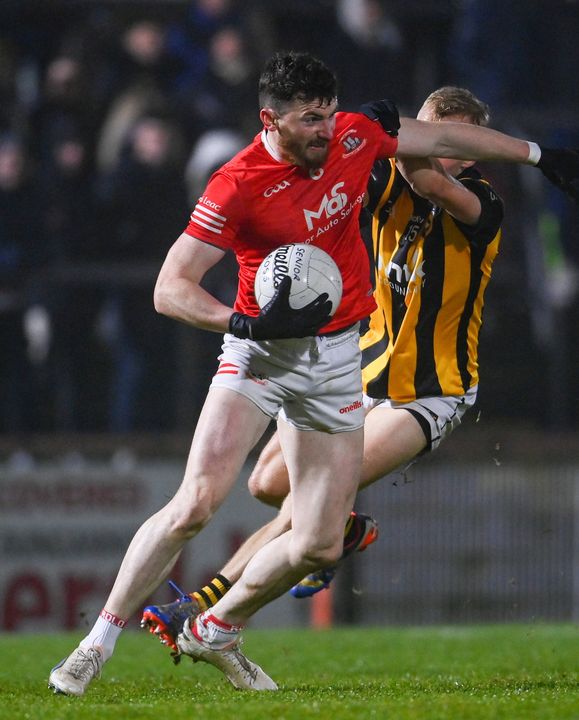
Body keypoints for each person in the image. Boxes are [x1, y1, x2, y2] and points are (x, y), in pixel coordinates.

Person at [48, 51, 579, 697]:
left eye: (331, 118)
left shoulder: (469, 202)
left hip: (421, 386)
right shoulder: (258, 178)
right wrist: (240, 323)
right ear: (272, 119)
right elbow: (169, 287)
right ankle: (108, 641)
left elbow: (434, 161)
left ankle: (213, 614)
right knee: (244, 495)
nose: (328, 131)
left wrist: (535, 155)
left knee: (314, 532)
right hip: (303, 360)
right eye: (312, 120)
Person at [140, 84, 503, 654]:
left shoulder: (480, 205)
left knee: (308, 500)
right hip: (367, 370)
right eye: (422, 133)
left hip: (431, 391)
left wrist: (389, 137)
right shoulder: (384, 180)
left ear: (471, 154)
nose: (429, 151)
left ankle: (206, 605)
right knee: (266, 484)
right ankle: (344, 528)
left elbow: (427, 178)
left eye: (447, 144)